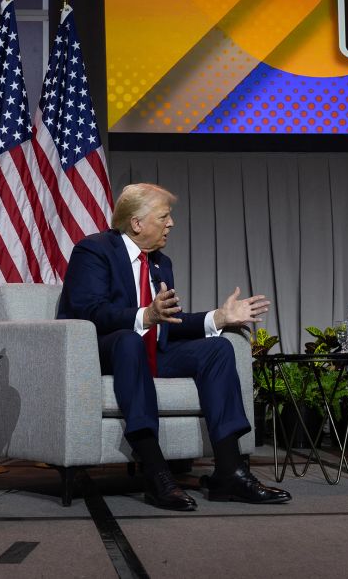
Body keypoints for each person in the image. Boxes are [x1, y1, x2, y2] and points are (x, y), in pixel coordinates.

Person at [58, 183, 291, 511]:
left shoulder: (160, 263)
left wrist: (219, 318)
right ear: (137, 223)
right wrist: (146, 314)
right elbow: (90, 312)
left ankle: (230, 472)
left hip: (152, 353)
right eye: (164, 217)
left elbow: (169, 323)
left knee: (219, 349)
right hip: (102, 354)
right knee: (128, 342)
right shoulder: (94, 250)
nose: (172, 224)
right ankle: (156, 473)